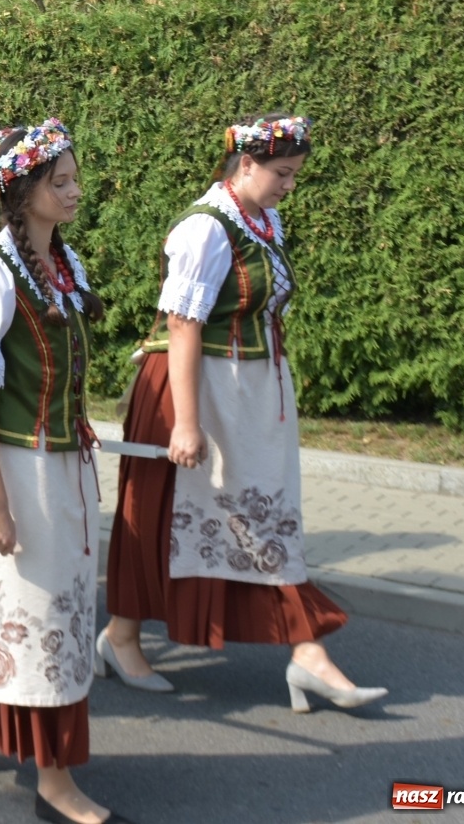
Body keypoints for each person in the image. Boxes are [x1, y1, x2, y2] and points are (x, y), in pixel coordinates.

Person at [101, 115, 386, 714]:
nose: (290, 185)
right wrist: (185, 421)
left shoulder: (261, 220)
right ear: (247, 164)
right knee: (163, 514)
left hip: (247, 392)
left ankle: (306, 654)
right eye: (283, 173)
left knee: (259, 513)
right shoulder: (205, 229)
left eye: (295, 174)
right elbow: (183, 324)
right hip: (195, 388)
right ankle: (123, 640)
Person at [0, 121, 134, 824]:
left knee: (37, 612)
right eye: (59, 181)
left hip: (65, 467)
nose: (74, 191)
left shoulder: (62, 268)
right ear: (21, 193)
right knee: (36, 618)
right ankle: (55, 783)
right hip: (18, 471)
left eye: (74, 178)